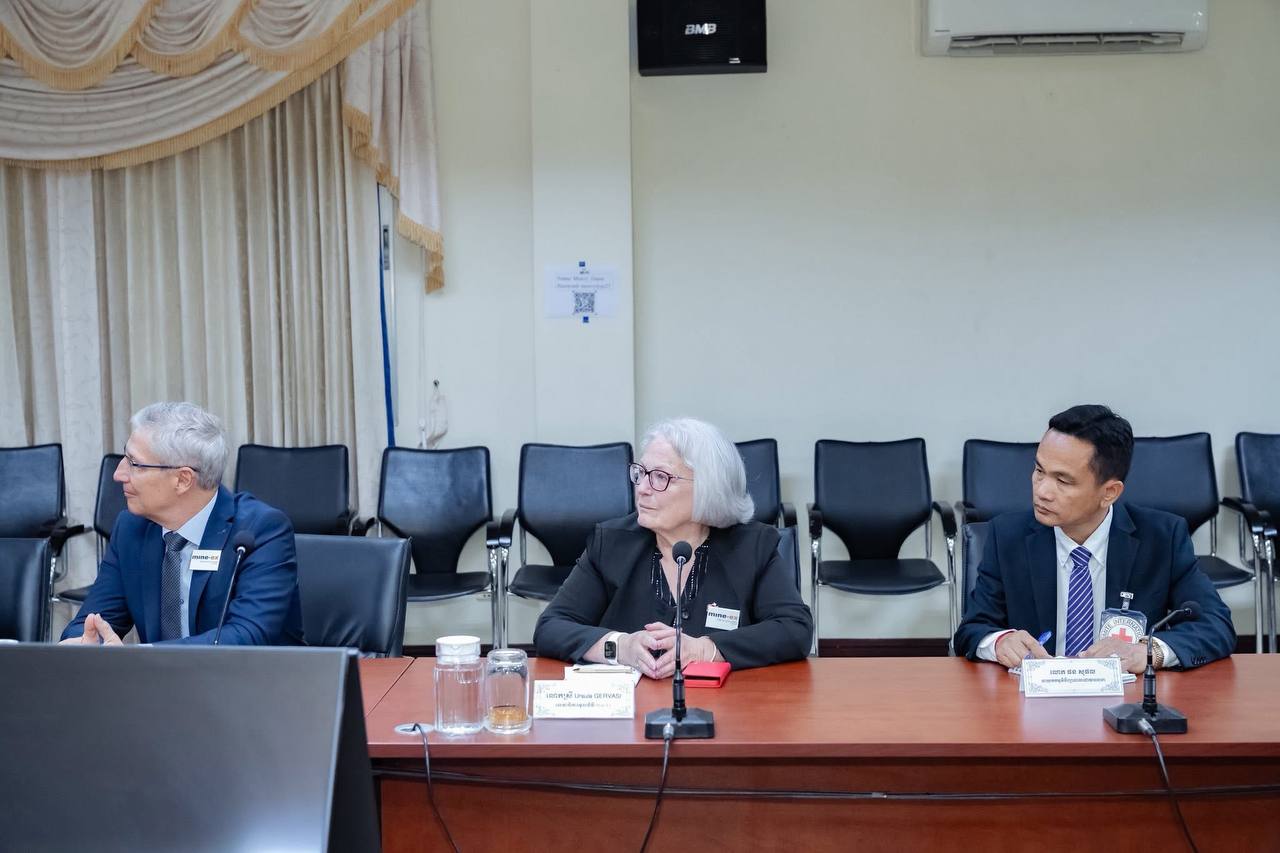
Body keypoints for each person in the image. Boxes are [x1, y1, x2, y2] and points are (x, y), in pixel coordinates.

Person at [953, 404, 1234, 673]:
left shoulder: (1161, 538)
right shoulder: (1007, 536)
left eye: (1063, 481)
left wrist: (1146, 652)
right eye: (1039, 471)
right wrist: (1000, 642)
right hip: (1031, 696)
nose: (1042, 491)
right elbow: (972, 629)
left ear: (1109, 492)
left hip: (1127, 696)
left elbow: (1215, 625)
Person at [534, 418, 812, 678]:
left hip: (727, 705)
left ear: (708, 488)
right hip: (635, 707)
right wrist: (619, 647)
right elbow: (551, 627)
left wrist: (705, 649)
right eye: (641, 473)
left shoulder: (751, 547)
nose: (642, 488)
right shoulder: (611, 544)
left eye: (660, 477)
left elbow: (795, 629)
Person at [61, 402, 304, 646]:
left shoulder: (259, 531)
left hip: (246, 672)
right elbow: (92, 621)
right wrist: (84, 643)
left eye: (134, 464)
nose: (118, 474)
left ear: (183, 479)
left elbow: (246, 636)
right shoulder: (131, 528)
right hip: (155, 671)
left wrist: (138, 658)